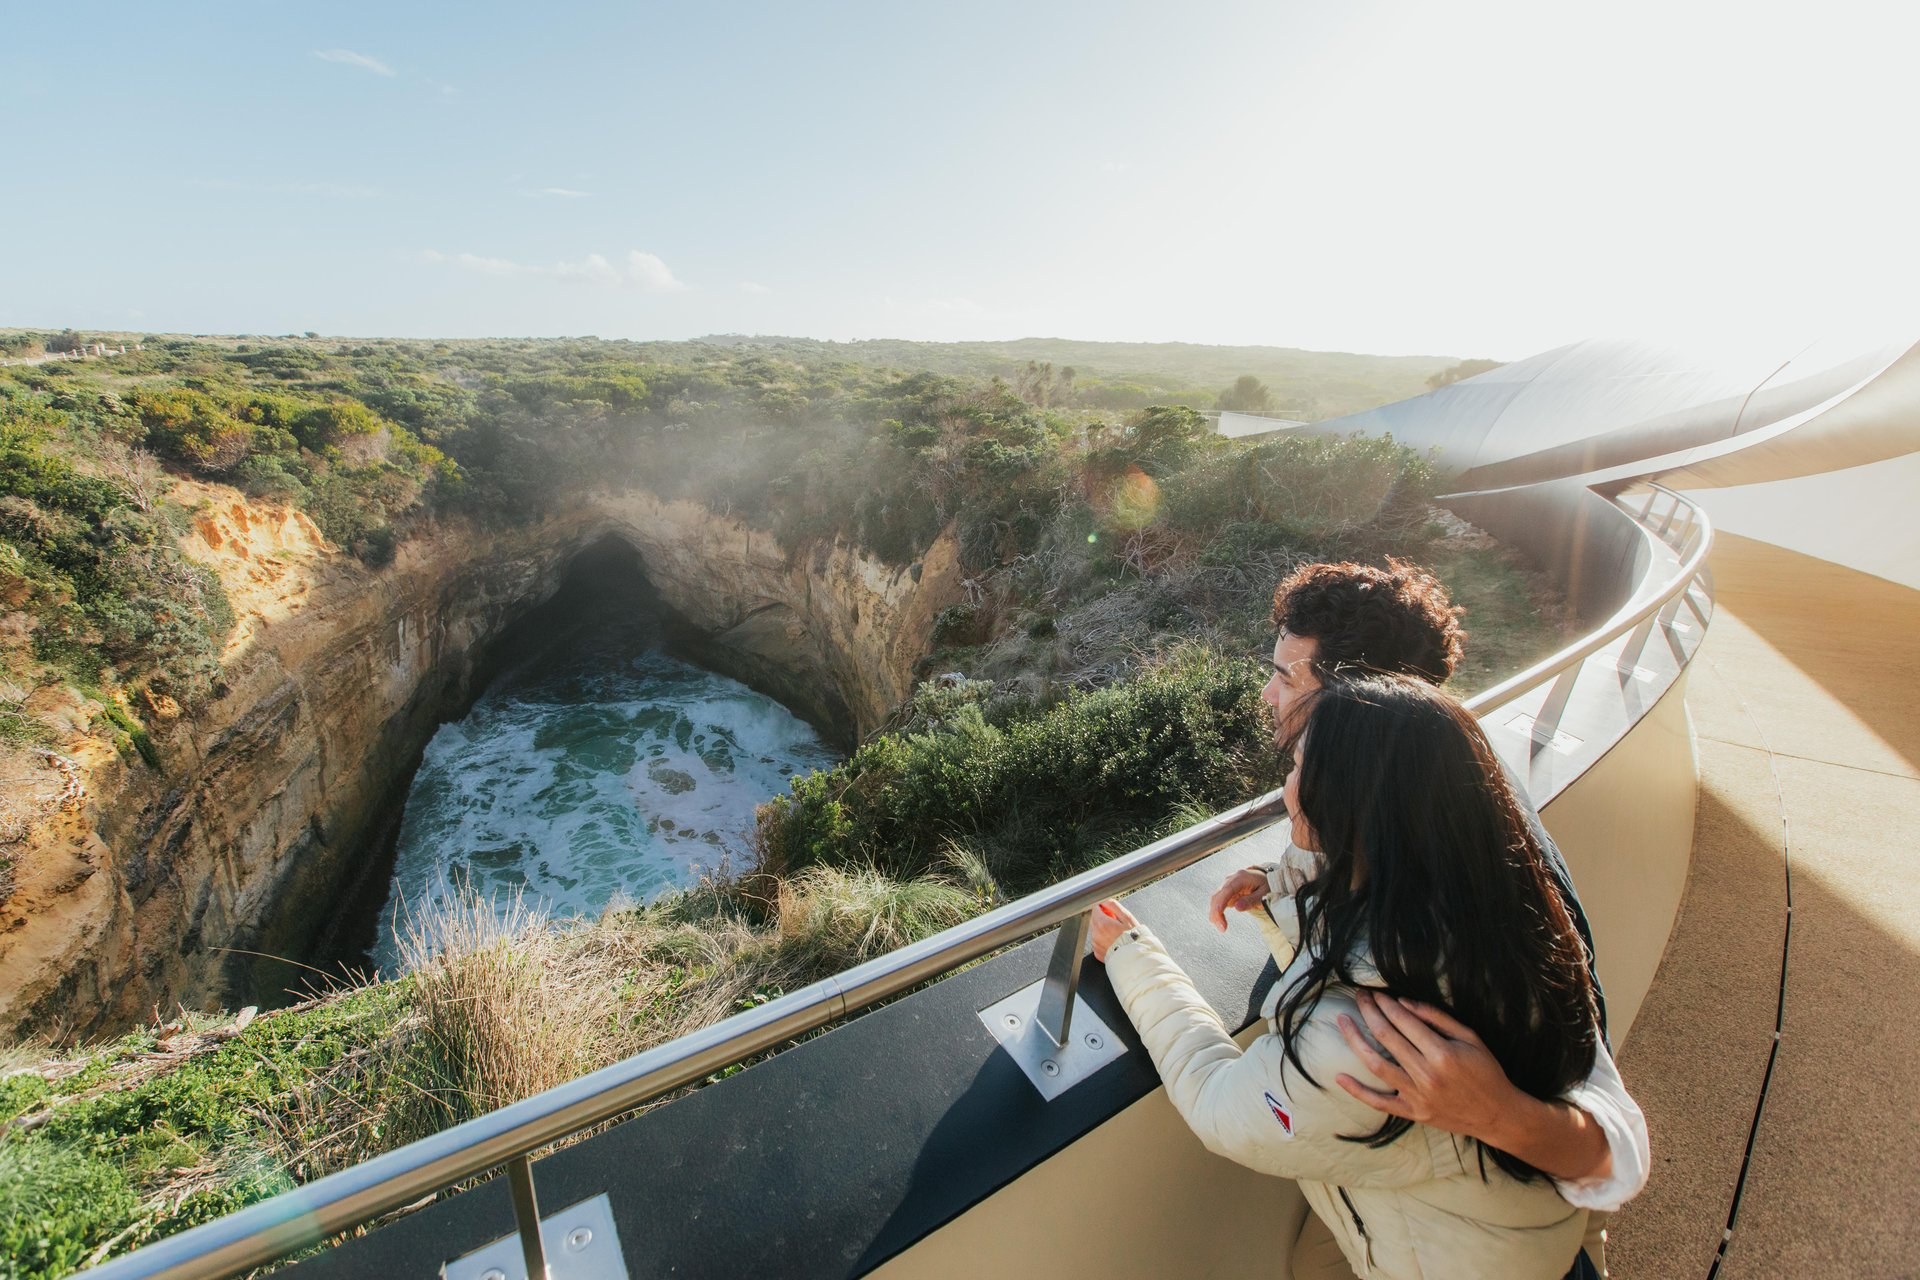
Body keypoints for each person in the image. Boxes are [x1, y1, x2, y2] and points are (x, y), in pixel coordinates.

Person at [1091, 675, 1621, 1279]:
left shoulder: (1370, 1040)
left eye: (1297, 770)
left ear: (1345, 809)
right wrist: (1284, 883)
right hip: (1538, 1246)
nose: (1286, 788)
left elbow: (1219, 1104)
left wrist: (1131, 954)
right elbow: (1361, 934)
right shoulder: (1507, 917)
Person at [1215, 559, 1646, 1228]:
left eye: (1285, 676)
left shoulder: (1484, 849)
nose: (1268, 696)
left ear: (1357, 702)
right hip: (1391, 1209)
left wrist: (1504, 1115)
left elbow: (1617, 1149)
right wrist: (1283, 878)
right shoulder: (1388, 794)